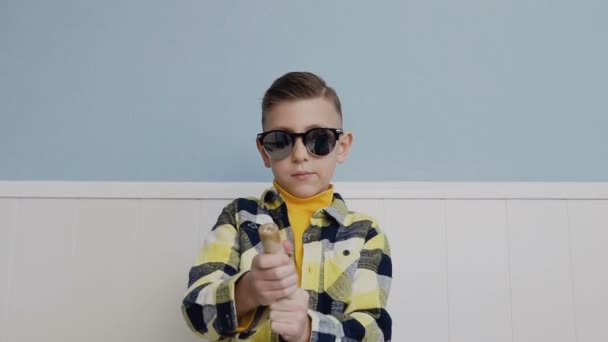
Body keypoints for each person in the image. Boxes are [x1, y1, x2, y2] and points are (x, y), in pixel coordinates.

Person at [182, 71, 392, 341]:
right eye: (281, 141)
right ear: (264, 151)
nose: (300, 155)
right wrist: (248, 291)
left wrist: (308, 329)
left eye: (319, 139)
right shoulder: (238, 217)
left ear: (342, 146)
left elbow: (374, 332)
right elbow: (194, 313)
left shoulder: (366, 234)